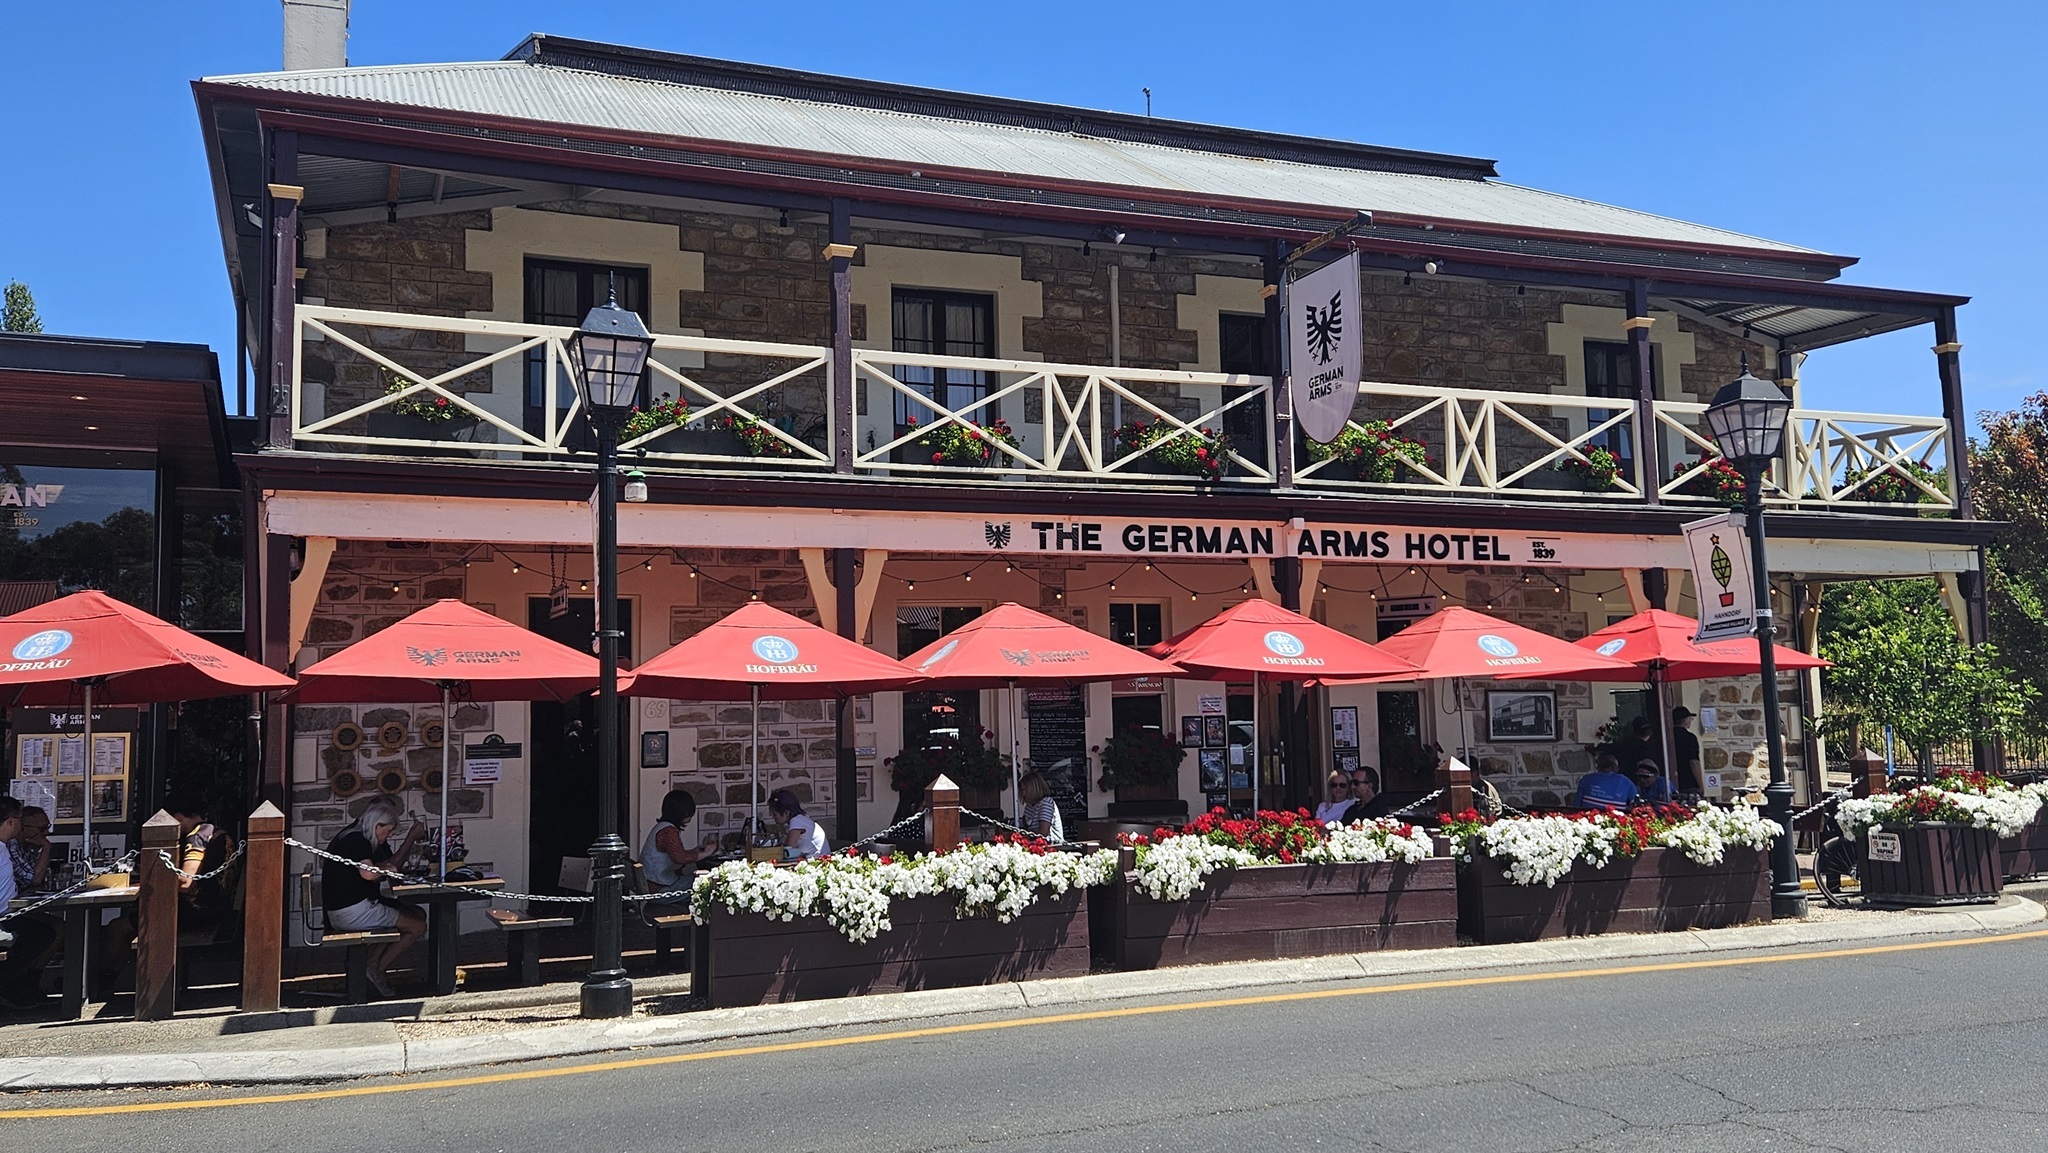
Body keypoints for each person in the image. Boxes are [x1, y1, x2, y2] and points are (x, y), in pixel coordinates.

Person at [323, 797, 426, 999]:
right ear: (377, 824)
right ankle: (375, 969)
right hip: (352, 911)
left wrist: (384, 866)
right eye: (388, 831)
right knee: (417, 927)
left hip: (350, 907)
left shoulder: (358, 835)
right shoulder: (357, 839)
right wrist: (386, 868)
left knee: (415, 914)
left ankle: (370, 965)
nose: (388, 836)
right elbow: (368, 873)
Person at [0, 798, 59, 1007]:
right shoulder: (4, 847)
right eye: (19, 819)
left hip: (11, 911)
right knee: (42, 934)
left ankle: (15, 982)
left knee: (46, 930)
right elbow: (34, 878)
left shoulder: (5, 847)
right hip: (4, 915)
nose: (21, 825)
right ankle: (6, 982)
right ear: (10, 821)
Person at [642, 789, 714, 897]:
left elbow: (677, 853)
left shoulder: (662, 827)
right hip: (660, 889)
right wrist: (706, 853)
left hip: (653, 885)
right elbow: (680, 858)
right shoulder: (668, 831)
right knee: (708, 882)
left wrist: (694, 851)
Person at [768, 788, 829, 860]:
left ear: (786, 813)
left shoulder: (797, 821)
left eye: (775, 814)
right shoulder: (801, 818)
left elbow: (789, 848)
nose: (773, 817)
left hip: (818, 860)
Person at [8, 806, 52, 892]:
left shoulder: (27, 846)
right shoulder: (10, 845)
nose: (46, 832)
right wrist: (46, 847)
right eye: (42, 829)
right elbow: (35, 879)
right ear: (22, 827)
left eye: (48, 827)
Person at [1017, 771, 1064, 843]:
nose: (1023, 794)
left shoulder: (1046, 803)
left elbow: (1043, 833)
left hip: (1052, 845)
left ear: (1033, 789)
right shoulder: (1029, 806)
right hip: (1036, 843)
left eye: (1024, 790)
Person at [1671, 707, 1704, 795]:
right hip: (1688, 783)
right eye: (1690, 719)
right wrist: (1700, 785)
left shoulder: (1668, 736)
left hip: (1671, 781)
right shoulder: (1689, 738)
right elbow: (1694, 762)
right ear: (1685, 720)